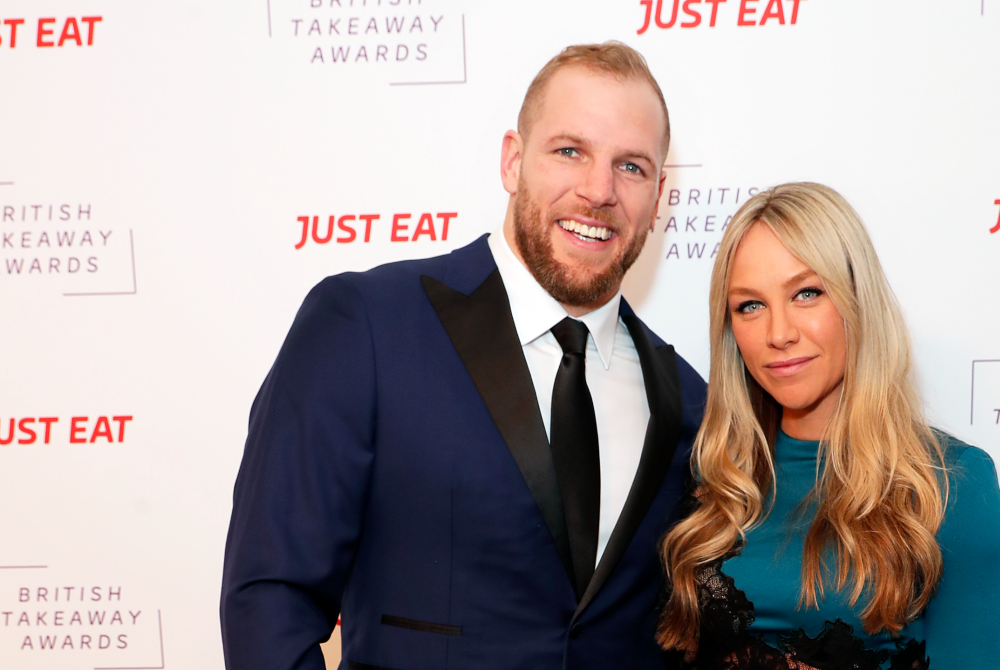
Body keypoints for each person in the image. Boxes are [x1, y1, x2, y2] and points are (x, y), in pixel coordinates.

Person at [220, 42, 706, 670]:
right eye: (569, 151)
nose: (598, 190)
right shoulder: (367, 326)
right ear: (512, 161)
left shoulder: (689, 401)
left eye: (631, 167)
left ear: (659, 194)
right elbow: (270, 596)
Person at [658, 183, 1000, 670]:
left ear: (856, 301)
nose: (778, 333)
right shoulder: (709, 475)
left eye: (807, 293)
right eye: (750, 305)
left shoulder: (951, 486)